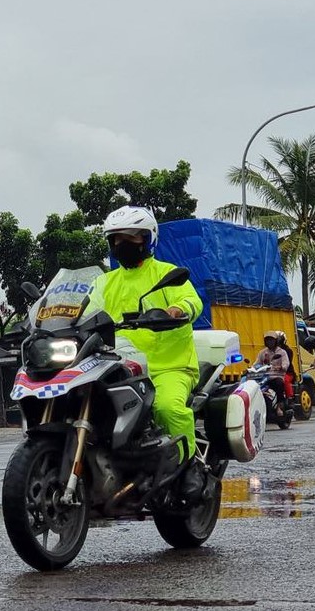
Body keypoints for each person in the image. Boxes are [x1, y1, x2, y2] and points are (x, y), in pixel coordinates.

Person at [89, 206, 206, 496]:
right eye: (116, 239)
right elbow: (84, 310)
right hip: (118, 366)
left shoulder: (167, 274)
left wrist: (175, 310)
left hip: (168, 367)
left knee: (167, 408)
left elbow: (191, 302)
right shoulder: (103, 282)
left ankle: (189, 467)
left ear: (148, 239)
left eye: (130, 237)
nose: (122, 244)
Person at [256, 331, 291, 416]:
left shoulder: (282, 352)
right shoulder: (262, 352)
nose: (269, 342)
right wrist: (251, 368)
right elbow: (257, 363)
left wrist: (281, 367)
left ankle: (279, 406)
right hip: (264, 377)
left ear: (276, 341)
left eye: (271, 340)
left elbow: (286, 364)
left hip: (276, 376)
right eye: (267, 340)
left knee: (279, 384)